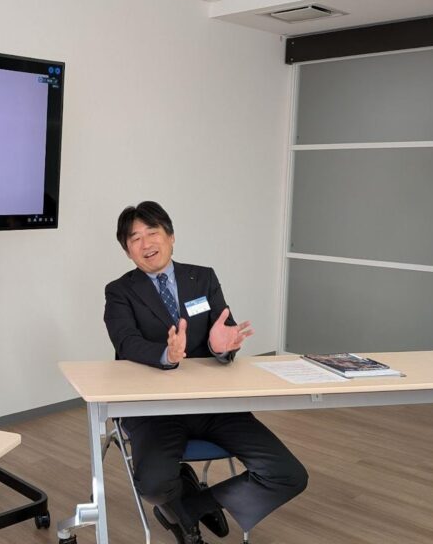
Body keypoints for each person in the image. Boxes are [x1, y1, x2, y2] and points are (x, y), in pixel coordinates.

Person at [103, 201, 307, 544]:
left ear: (171, 237)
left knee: (288, 474)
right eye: (134, 239)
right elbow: (126, 343)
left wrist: (221, 347)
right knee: (153, 485)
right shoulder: (120, 291)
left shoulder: (202, 277)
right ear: (127, 251)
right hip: (154, 409)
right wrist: (167, 354)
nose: (146, 243)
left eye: (152, 233)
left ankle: (189, 508)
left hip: (213, 403)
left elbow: (223, 330)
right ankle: (183, 505)